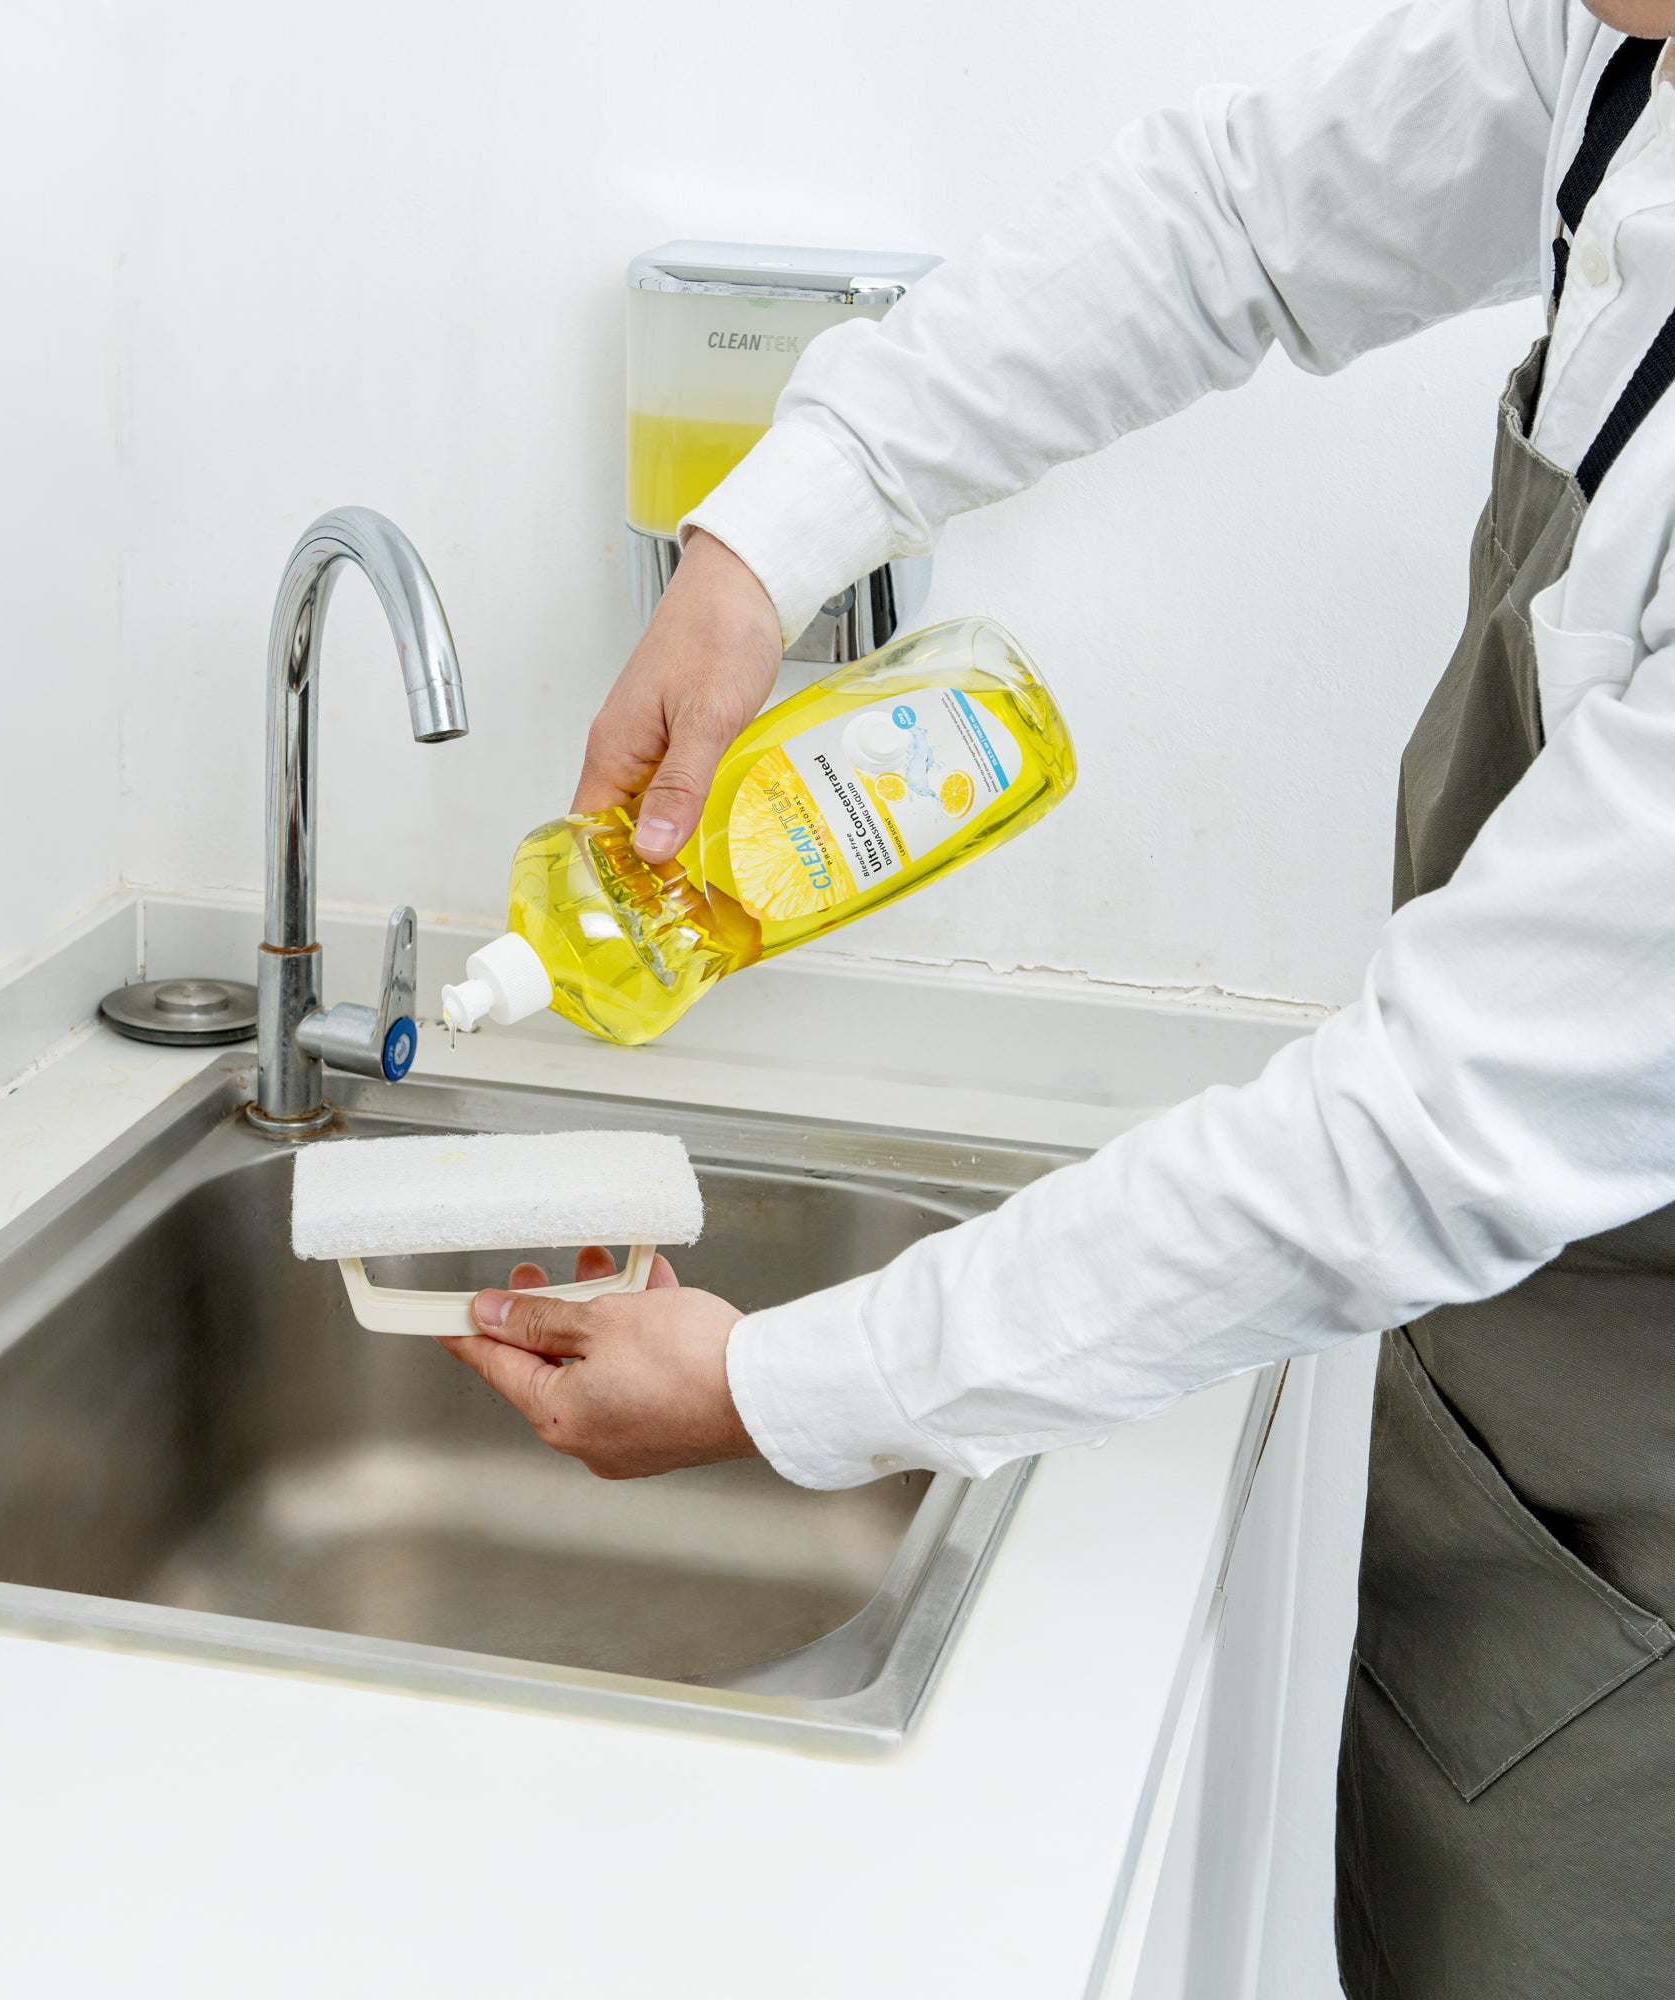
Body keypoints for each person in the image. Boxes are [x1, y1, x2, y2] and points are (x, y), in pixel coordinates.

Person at [438, 2, 1675, 1988]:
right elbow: (1232, 221)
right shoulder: (1614, 44)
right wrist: (772, 532)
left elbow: (1416, 1137)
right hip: (1521, 1450)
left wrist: (780, 1388)